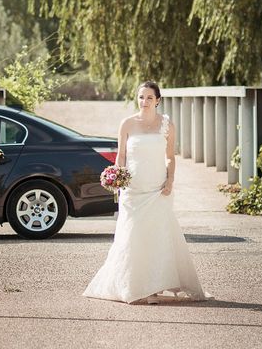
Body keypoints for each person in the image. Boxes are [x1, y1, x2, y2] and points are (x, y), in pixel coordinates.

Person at [83, 81, 209, 304]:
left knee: (158, 235)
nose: (144, 102)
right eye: (141, 97)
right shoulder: (127, 124)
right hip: (133, 189)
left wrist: (170, 180)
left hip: (157, 187)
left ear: (158, 100)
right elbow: (121, 155)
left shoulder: (167, 125)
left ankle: (156, 284)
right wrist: (117, 176)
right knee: (133, 235)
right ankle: (139, 287)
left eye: (149, 98)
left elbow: (170, 156)